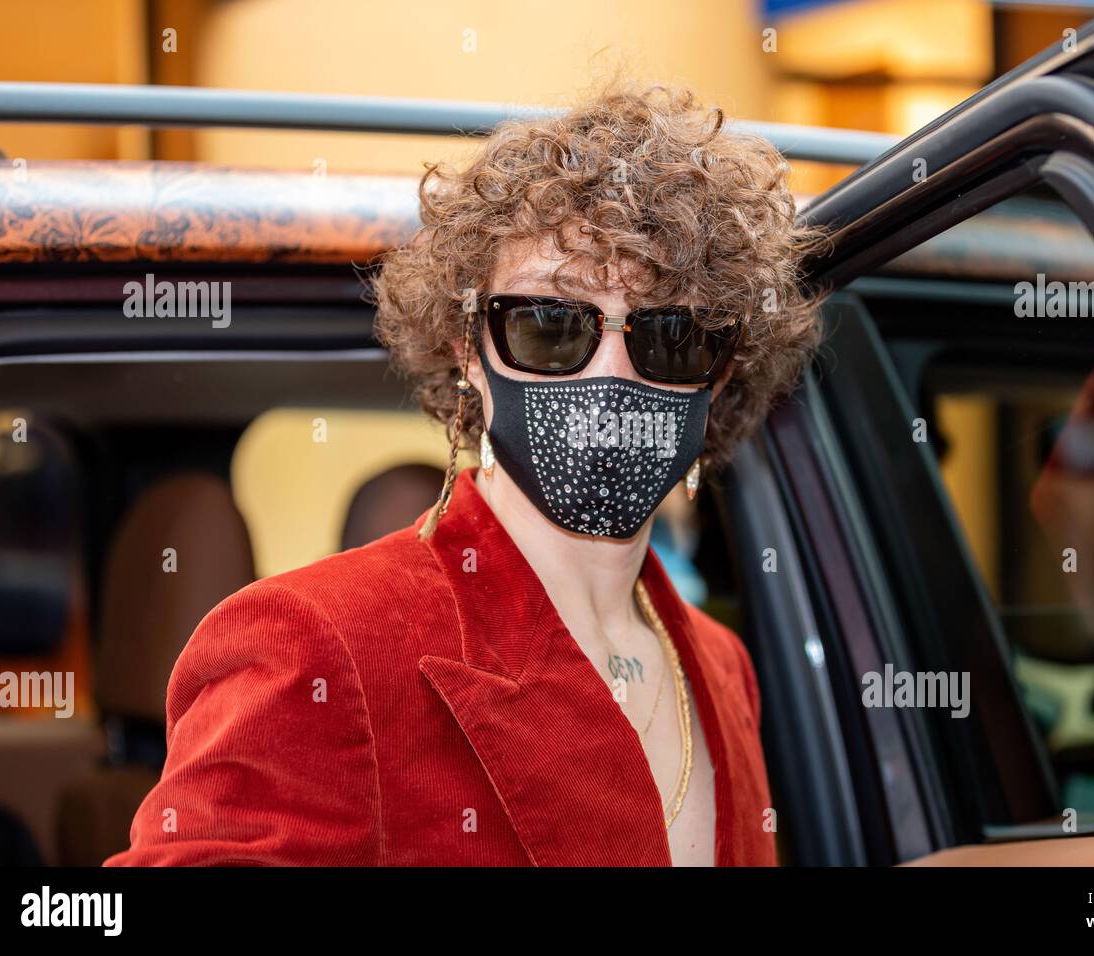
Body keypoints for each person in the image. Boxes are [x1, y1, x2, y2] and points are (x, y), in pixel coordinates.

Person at [105, 81, 830, 867]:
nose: (611, 376)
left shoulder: (723, 668)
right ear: (468, 353)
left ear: (720, 374)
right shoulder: (318, 646)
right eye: (552, 326)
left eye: (671, 337)